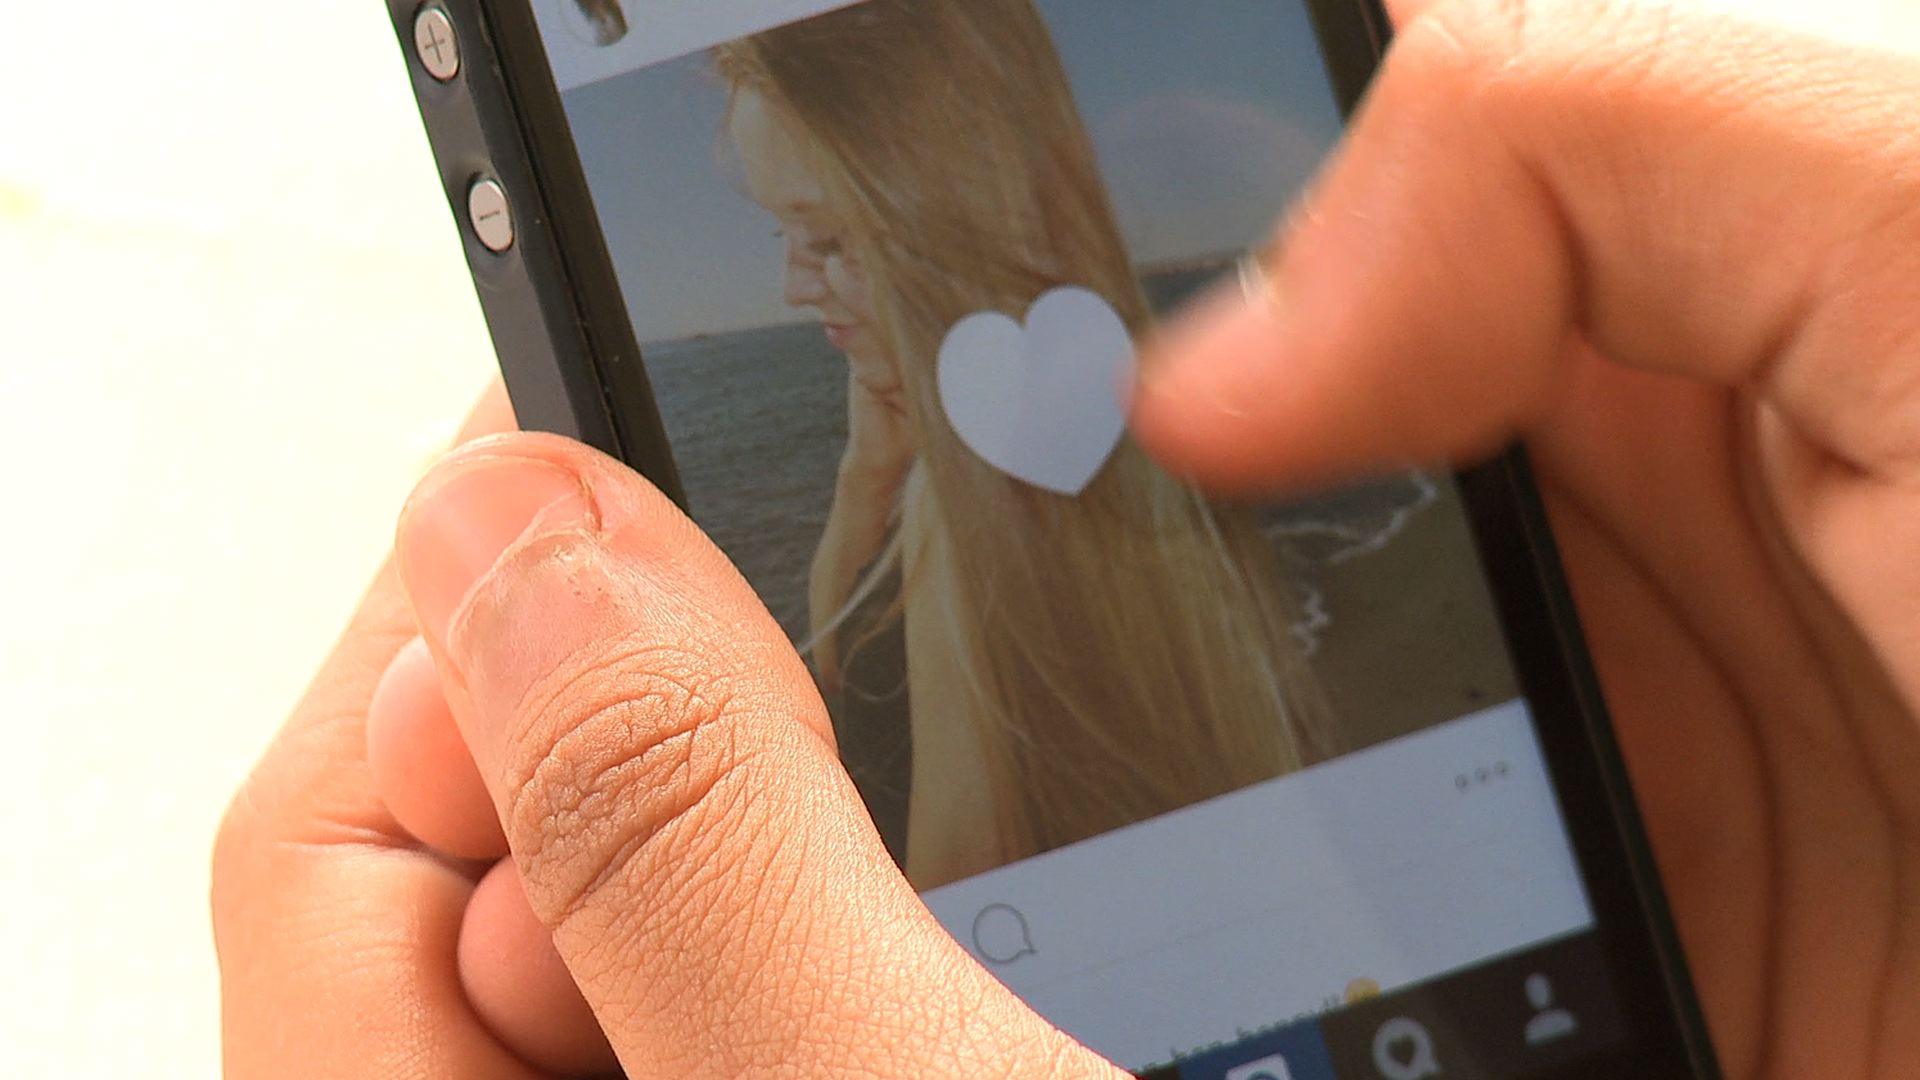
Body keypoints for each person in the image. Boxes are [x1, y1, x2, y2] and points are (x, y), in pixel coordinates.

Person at [211, 0, 1920, 1076]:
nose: (793, 288)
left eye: (825, 237)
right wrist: (849, 540)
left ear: (926, 222)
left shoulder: (1017, 596)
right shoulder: (1035, 522)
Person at [702, 0, 1336, 889]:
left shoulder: (963, 516)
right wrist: (863, 479)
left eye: (827, 238)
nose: (792, 287)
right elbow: (835, 668)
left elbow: (956, 906)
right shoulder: (1098, 442)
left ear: (951, 215)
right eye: (784, 235)